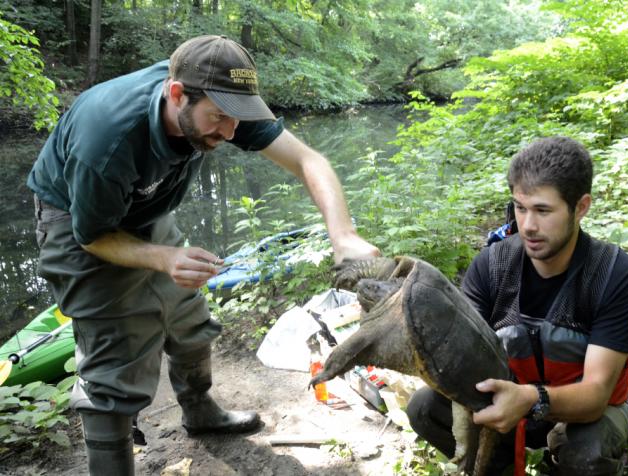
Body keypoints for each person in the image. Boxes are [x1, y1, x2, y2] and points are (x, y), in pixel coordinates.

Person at [27, 35, 379, 475]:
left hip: (144, 208)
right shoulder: (108, 137)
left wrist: (343, 235)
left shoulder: (222, 98)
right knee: (111, 368)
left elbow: (309, 161)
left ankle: (200, 411)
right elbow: (93, 235)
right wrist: (164, 258)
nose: (231, 133)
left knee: (188, 318)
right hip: (79, 221)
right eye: (218, 119)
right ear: (177, 95)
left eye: (237, 120)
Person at [406, 137, 628, 475]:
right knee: (424, 407)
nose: (528, 225)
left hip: (588, 409)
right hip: (510, 397)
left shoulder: (616, 275)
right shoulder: (491, 266)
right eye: (520, 208)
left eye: (543, 210)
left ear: (581, 207)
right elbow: (463, 357)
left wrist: (532, 400)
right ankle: (500, 465)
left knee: (587, 451)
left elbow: (595, 395)